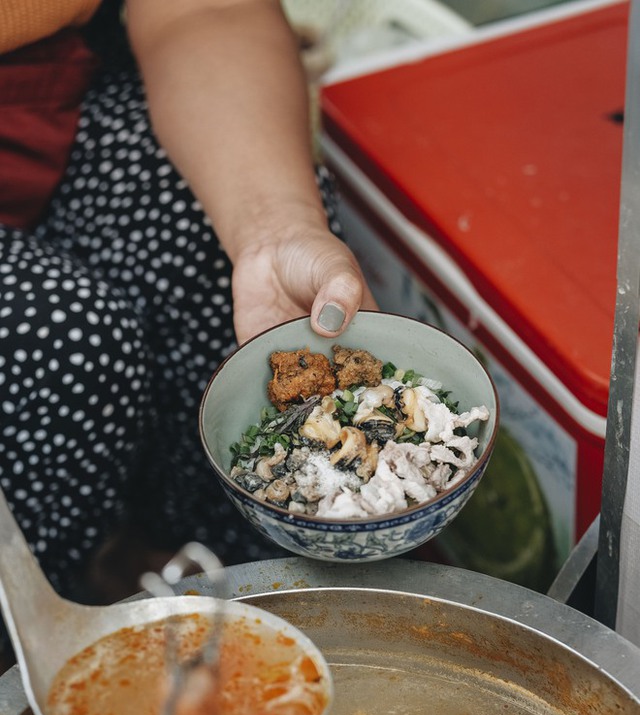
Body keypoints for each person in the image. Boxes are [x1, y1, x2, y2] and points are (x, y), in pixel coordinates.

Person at [0, 0, 376, 606]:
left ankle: (245, 587)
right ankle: (59, 604)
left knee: (224, 262)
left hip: (52, 88)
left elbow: (204, 10)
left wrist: (271, 226)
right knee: (53, 337)